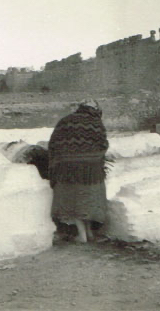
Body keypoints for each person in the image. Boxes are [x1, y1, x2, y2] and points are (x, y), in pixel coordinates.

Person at [48, 99, 109, 243]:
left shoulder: (65, 121)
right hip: (91, 171)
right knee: (87, 199)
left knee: (73, 199)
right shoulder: (96, 123)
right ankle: (87, 234)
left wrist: (60, 160)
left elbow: (53, 144)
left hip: (67, 170)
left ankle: (83, 234)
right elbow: (103, 145)